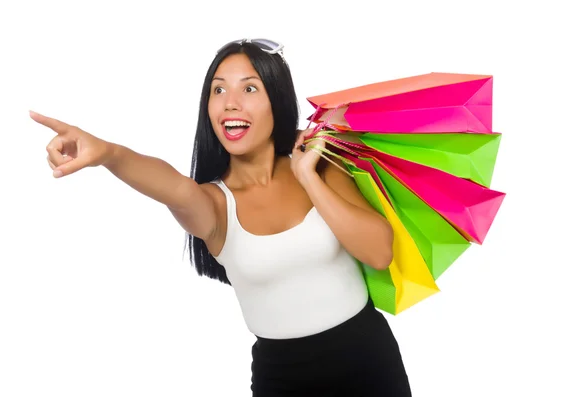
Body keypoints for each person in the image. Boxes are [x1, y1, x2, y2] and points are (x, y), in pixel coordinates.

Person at [30, 38, 413, 396]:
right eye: (218, 90)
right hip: (282, 377)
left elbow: (379, 253)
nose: (230, 103)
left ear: (276, 101)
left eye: (249, 88)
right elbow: (174, 187)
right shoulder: (214, 205)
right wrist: (109, 153)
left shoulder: (322, 166)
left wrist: (308, 177)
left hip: (369, 361)